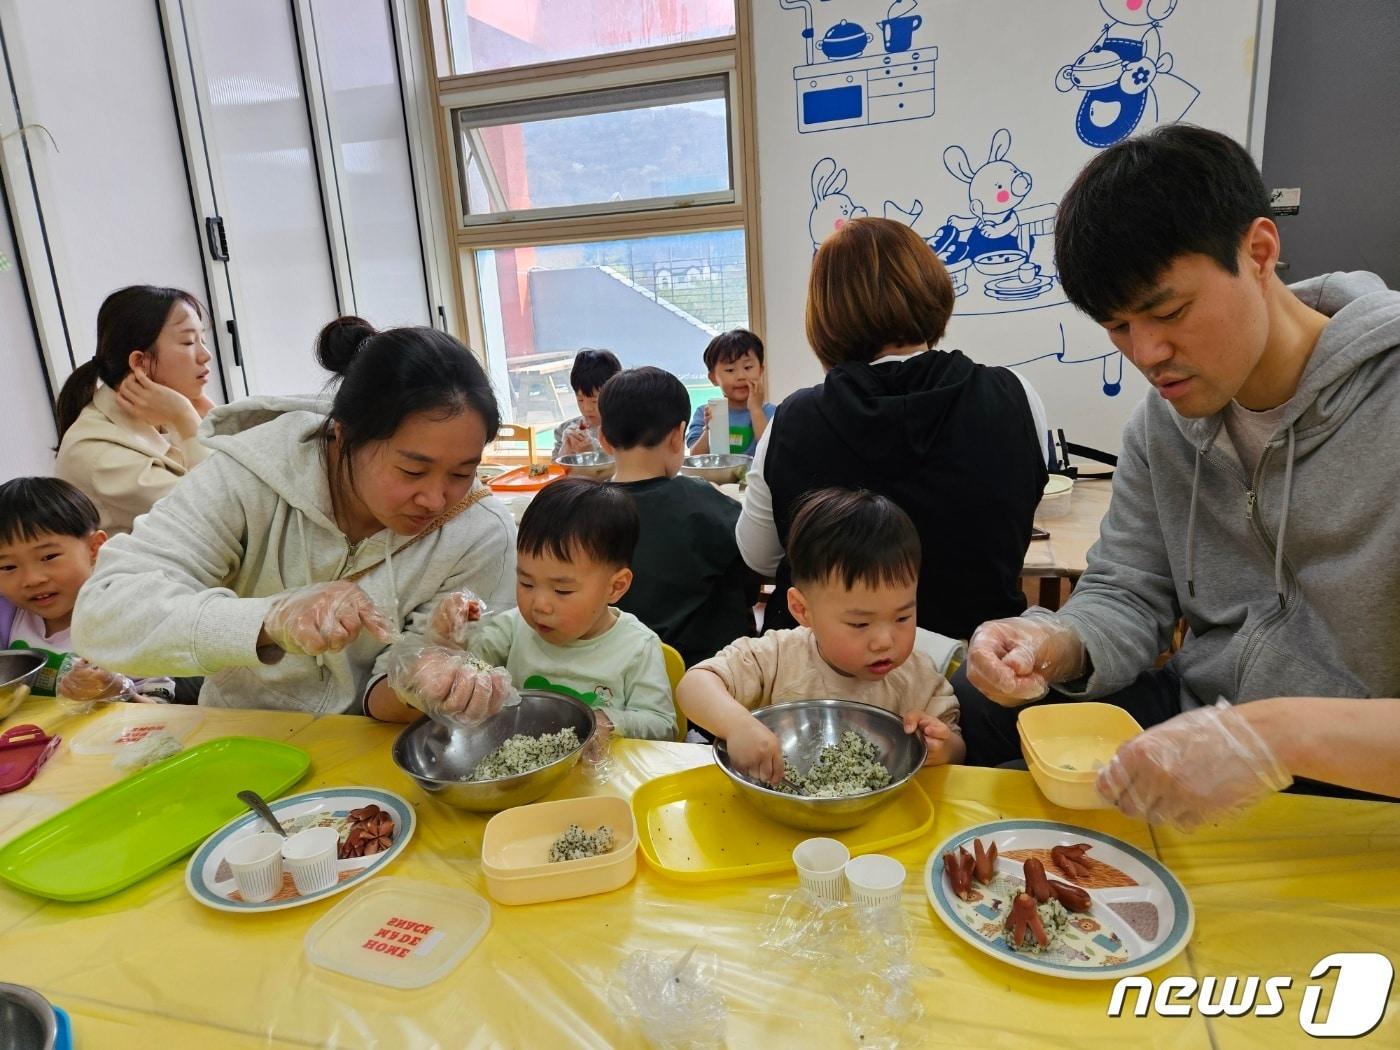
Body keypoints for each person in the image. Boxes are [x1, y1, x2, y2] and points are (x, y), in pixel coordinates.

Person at [960, 124, 1400, 825]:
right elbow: (1127, 592)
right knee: (978, 707)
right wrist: (1056, 644)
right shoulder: (1162, 427)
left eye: (1169, 312)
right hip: (1199, 714)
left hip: (1350, 764)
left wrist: (1269, 738)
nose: (1149, 353)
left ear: (1259, 252)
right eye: (1118, 328)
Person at [71, 317, 516, 717]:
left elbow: (399, 688)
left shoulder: (479, 531)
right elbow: (105, 614)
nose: (437, 499)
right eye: (413, 470)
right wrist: (271, 619)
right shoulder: (249, 477)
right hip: (241, 736)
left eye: (463, 472)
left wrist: (427, 675)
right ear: (343, 433)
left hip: (378, 757)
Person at [737, 217, 1048, 639]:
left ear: (825, 313)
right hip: (978, 667)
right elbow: (1011, 520)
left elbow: (757, 555)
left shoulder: (793, 420)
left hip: (831, 684)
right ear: (930, 288)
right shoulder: (1015, 395)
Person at [678, 488, 963, 783]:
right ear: (802, 610)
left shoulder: (917, 677)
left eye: (903, 617)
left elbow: (956, 749)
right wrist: (736, 726)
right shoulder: (778, 656)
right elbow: (694, 685)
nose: (884, 641)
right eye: (859, 624)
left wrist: (944, 748)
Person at [390, 477, 677, 741]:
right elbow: (464, 666)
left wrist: (610, 722)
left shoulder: (637, 647)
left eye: (562, 590)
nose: (538, 605)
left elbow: (663, 725)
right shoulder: (514, 628)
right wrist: (448, 636)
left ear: (615, 587)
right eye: (526, 583)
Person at [595, 366, 757, 669]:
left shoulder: (584, 511)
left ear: (603, 439)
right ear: (677, 436)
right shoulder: (702, 502)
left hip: (616, 676)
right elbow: (751, 569)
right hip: (704, 681)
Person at [54, 286, 216, 534]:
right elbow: (220, 514)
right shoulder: (97, 453)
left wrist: (208, 418)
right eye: (188, 342)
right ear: (140, 362)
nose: (206, 356)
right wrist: (186, 419)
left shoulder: (162, 413)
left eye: (202, 340)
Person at [0, 477, 174, 701]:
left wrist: (119, 692)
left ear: (95, 548)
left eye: (49, 556)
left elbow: (163, 709)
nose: (32, 579)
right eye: (7, 566)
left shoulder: (128, 618)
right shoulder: (8, 616)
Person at [685, 329, 776, 457]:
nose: (741, 376)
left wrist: (756, 410)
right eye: (730, 370)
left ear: (760, 370)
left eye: (748, 367)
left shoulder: (772, 412)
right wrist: (710, 427)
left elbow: (770, 452)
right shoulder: (704, 413)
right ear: (713, 378)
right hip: (715, 477)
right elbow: (696, 456)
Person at [555, 348, 623, 456]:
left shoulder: (625, 430)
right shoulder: (564, 430)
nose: (586, 408)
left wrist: (592, 453)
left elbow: (629, 469)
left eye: (594, 400)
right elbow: (554, 471)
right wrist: (566, 451)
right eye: (580, 399)